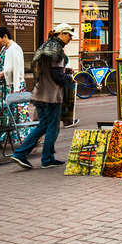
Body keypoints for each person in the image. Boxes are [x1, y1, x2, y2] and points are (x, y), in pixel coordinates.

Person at [10, 24, 75, 169]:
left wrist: (65, 70)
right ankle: (47, 158)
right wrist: (69, 78)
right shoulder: (57, 51)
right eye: (69, 35)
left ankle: (20, 153)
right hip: (51, 95)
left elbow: (48, 70)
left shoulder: (45, 47)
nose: (70, 39)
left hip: (39, 93)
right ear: (62, 34)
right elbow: (57, 75)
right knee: (53, 127)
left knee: (43, 125)